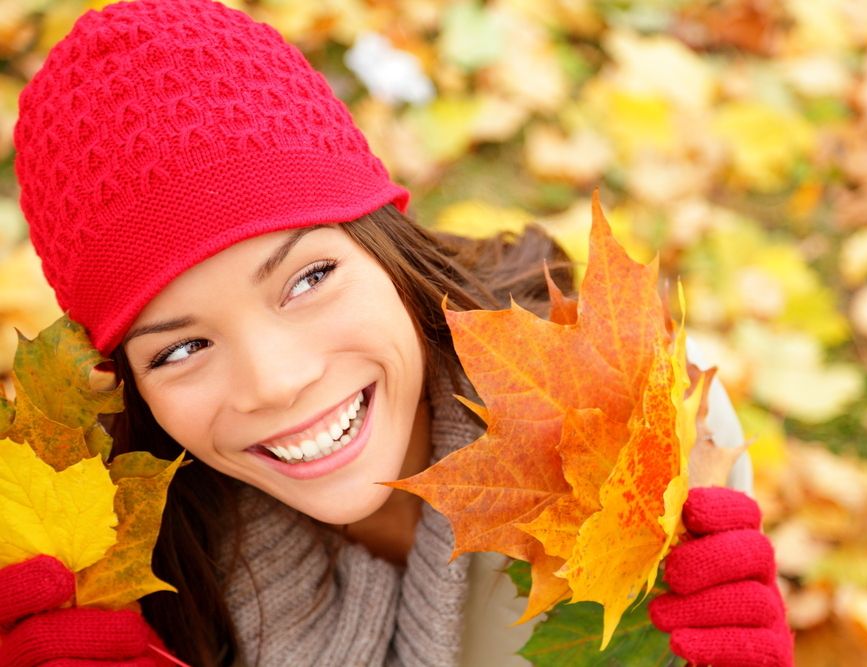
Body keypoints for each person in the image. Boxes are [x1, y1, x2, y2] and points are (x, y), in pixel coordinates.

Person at [0, 0, 793, 665]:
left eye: (308, 278)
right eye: (180, 348)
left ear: (383, 244)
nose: (276, 381)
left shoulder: (632, 423)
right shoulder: (110, 570)